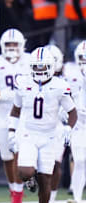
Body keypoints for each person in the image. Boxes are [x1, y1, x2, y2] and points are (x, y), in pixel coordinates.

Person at [8, 47, 77, 203]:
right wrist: (11, 131)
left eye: (43, 66)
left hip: (50, 136)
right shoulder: (23, 82)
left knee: (45, 179)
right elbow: (15, 109)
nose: (39, 70)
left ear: (51, 66)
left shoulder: (60, 85)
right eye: (36, 66)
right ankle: (29, 180)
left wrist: (68, 127)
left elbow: (72, 111)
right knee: (25, 171)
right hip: (28, 133)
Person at [0, 28, 30, 203]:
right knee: (7, 156)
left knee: (20, 154)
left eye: (15, 44)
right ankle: (13, 189)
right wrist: (2, 95)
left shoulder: (30, 61)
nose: (12, 47)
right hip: (3, 113)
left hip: (24, 116)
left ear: (22, 45)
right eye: (8, 44)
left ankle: (18, 195)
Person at [44, 44, 67, 203]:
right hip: (37, 125)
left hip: (58, 125)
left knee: (55, 163)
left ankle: (51, 198)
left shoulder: (65, 80)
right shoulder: (33, 80)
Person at [65, 40, 86, 203]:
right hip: (79, 123)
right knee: (79, 160)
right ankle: (78, 198)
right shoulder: (70, 72)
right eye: (82, 57)